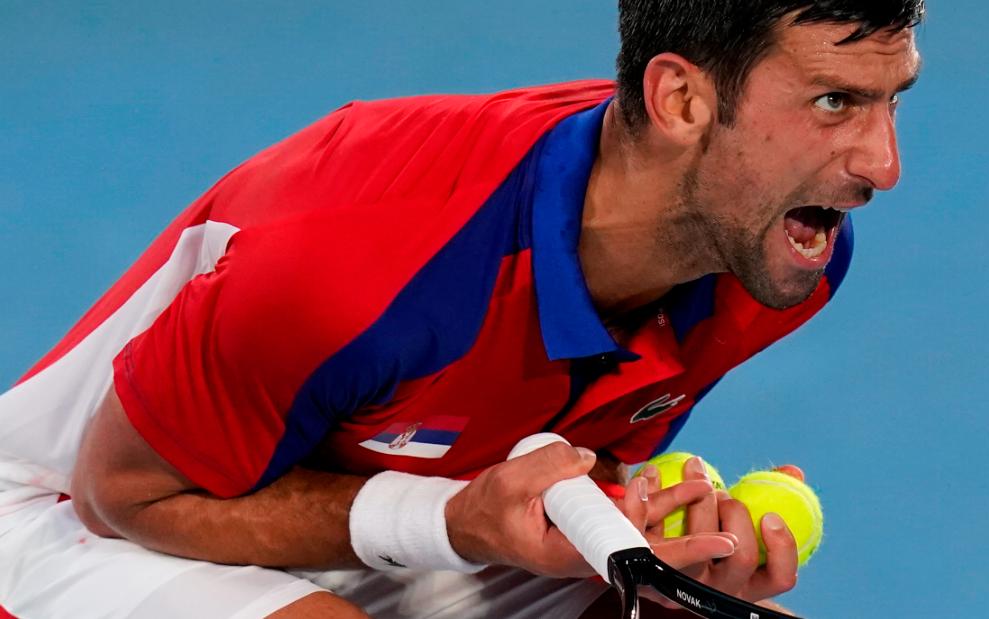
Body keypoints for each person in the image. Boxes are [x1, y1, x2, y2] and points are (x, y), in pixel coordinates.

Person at [0, 1, 924, 617]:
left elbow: (534, 446)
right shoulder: (361, 253)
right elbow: (123, 494)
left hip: (357, 507)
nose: (882, 165)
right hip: (70, 517)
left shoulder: (776, 251)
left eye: (891, 103)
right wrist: (451, 521)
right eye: (834, 102)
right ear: (679, 98)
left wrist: (643, 521)